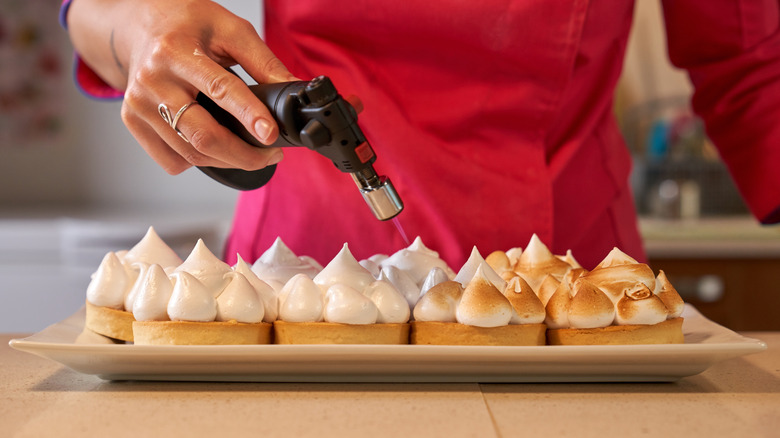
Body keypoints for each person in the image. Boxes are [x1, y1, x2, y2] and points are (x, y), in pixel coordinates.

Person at [61, 0, 780, 270]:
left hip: (566, 283)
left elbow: (752, 62)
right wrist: (135, 27)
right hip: (307, 270)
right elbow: (104, 9)